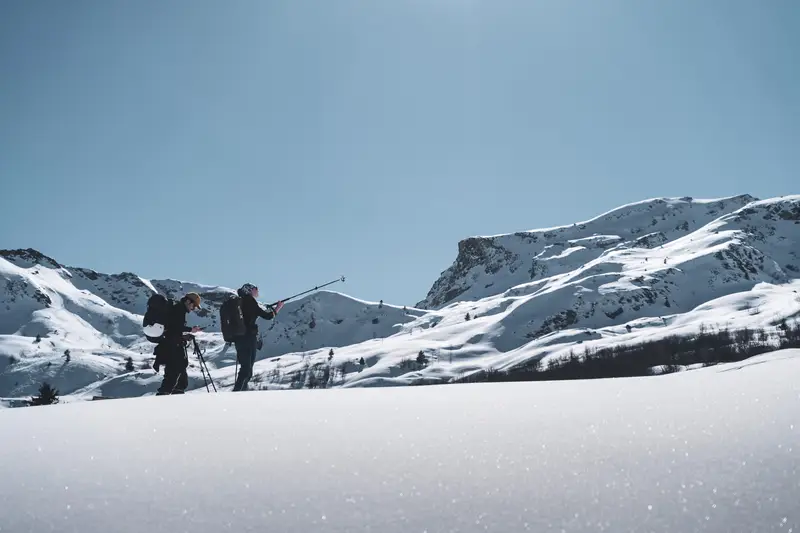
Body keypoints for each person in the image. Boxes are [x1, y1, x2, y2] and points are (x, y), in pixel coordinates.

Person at [233, 283, 284, 391]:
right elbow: (267, 316)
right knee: (247, 370)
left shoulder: (239, 301)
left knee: (245, 368)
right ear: (250, 290)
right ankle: (237, 394)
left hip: (239, 339)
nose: (257, 290)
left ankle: (239, 393)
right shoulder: (249, 301)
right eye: (255, 288)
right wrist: (278, 308)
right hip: (248, 338)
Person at [154, 292, 203, 395]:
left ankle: (177, 392)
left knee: (179, 367)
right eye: (193, 306)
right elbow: (175, 327)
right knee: (174, 370)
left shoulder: (177, 308)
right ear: (188, 301)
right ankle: (164, 394)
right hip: (172, 345)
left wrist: (184, 336)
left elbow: (172, 328)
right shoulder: (179, 309)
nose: (193, 309)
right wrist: (191, 329)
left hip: (169, 344)